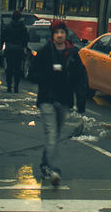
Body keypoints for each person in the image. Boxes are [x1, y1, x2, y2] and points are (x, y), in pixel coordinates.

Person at [33, 20, 87, 187]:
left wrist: (81, 101)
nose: (60, 35)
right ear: (52, 35)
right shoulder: (45, 51)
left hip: (64, 100)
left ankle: (44, 163)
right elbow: (32, 73)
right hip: (47, 99)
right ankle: (51, 169)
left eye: (62, 32)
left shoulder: (72, 53)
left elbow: (81, 78)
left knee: (55, 136)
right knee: (51, 134)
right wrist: (48, 74)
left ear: (66, 34)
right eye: (57, 32)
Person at [1, 11, 29, 93]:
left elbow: (3, 38)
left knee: (9, 68)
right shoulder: (23, 28)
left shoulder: (8, 27)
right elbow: (26, 39)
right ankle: (16, 87)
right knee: (17, 69)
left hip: (9, 49)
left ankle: (9, 86)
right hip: (19, 50)